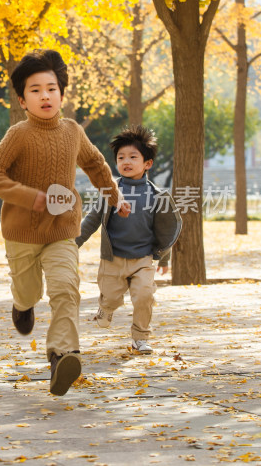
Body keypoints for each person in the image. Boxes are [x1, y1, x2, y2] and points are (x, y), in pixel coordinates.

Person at [0, 49, 130, 396]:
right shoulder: (18, 134)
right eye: (35, 90)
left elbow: (95, 164)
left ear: (62, 93)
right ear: (22, 99)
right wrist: (30, 197)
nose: (45, 95)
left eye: (51, 88)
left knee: (66, 288)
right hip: (22, 233)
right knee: (29, 289)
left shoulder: (73, 131)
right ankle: (22, 304)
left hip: (62, 230)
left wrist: (115, 196)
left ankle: (62, 356)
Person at [76, 125, 181, 354]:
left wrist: (163, 259)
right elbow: (92, 219)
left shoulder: (157, 196)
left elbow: (165, 230)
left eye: (133, 157)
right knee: (112, 298)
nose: (126, 161)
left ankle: (140, 338)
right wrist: (74, 244)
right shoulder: (110, 192)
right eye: (121, 157)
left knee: (145, 295)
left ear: (147, 164)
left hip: (142, 259)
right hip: (113, 258)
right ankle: (106, 307)